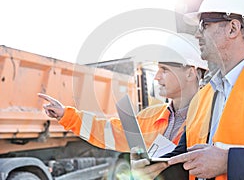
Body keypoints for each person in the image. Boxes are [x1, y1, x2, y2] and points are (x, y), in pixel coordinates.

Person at [132, 0, 244, 180]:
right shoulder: (202, 97)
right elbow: (185, 160)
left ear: (232, 28)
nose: (197, 35)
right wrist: (153, 167)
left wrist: (228, 162)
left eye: (204, 25)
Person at [38, 33, 209, 154]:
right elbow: (109, 132)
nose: (156, 77)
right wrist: (66, 115)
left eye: (164, 70)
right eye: (157, 69)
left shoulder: (213, 116)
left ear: (190, 73)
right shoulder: (151, 116)